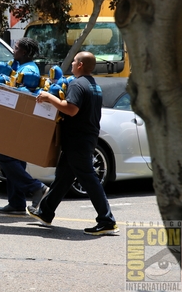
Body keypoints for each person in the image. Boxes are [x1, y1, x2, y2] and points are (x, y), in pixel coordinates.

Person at [26, 51, 118, 235]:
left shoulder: (77, 84)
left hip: (78, 139)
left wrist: (49, 98)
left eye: (75, 61)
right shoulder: (94, 86)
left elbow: (71, 109)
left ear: (81, 65)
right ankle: (45, 212)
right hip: (85, 137)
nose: (72, 64)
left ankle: (106, 220)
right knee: (64, 177)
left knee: (88, 178)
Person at [0, 38, 48, 214]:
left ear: (24, 52)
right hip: (14, 120)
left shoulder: (29, 69)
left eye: (16, 48)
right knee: (15, 161)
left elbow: (24, 97)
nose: (13, 50)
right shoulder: (19, 67)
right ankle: (17, 203)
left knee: (5, 158)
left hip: (20, 123)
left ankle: (36, 187)